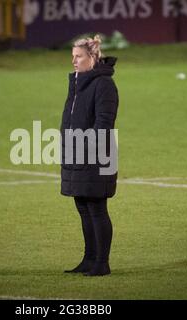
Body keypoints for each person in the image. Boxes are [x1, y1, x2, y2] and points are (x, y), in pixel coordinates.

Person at [60, 35, 119, 276]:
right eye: (72, 56)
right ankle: (89, 259)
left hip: (96, 156)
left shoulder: (103, 84)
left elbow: (104, 122)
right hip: (76, 152)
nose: (73, 61)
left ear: (92, 58)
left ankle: (102, 263)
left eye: (78, 57)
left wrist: (85, 148)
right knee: (83, 207)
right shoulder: (77, 81)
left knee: (96, 208)